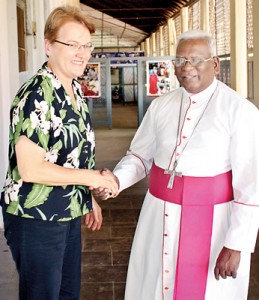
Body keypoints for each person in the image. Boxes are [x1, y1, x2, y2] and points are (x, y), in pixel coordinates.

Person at [93, 29, 259, 300]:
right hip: (157, 216)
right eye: (180, 61)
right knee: (154, 284)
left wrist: (236, 244)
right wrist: (116, 182)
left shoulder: (239, 111)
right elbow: (139, 157)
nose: (186, 68)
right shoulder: (161, 106)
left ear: (215, 64)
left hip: (214, 222)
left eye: (195, 60)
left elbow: (251, 186)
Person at [0, 6, 118, 300]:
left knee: (67, 293)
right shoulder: (36, 95)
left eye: (87, 45)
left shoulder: (73, 91)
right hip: (36, 217)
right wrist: (93, 178)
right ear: (48, 46)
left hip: (66, 211)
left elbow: (70, 156)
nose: (82, 53)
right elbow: (32, 169)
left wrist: (87, 196)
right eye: (72, 45)